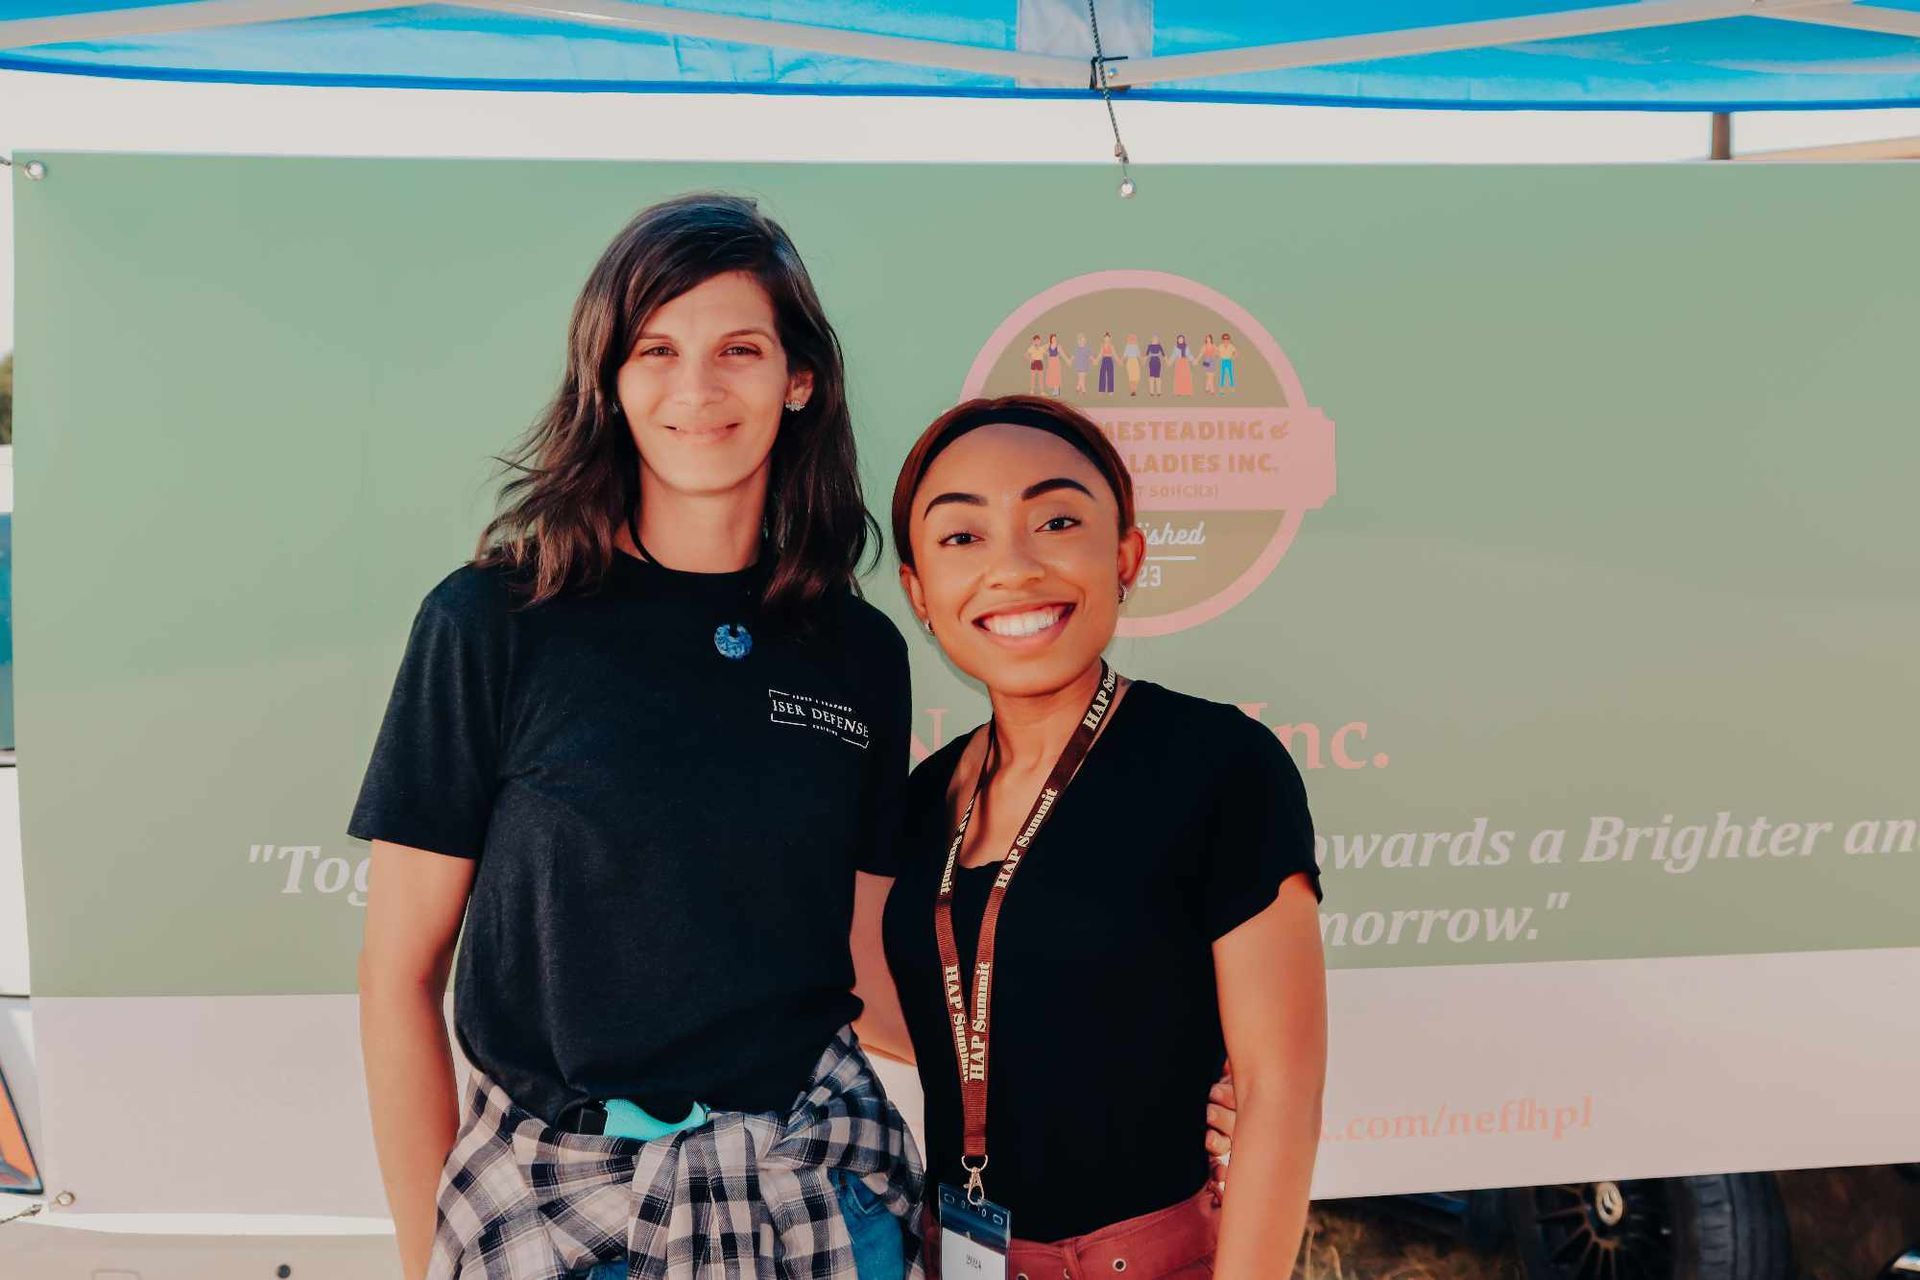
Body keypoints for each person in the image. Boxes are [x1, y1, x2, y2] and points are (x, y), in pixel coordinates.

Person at [351, 193, 924, 1280]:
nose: (696, 388)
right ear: (608, 381)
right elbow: (398, 974)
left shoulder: (857, 651)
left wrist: (1084, 1059)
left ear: (799, 379)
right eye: (655, 349)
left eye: (739, 349)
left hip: (822, 1198)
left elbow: (861, 960)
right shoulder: (493, 620)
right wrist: (427, 1257)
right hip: (562, 1219)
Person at [880, 395, 1326, 1279]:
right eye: (962, 537)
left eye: (1055, 519)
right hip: (953, 1255)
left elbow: (1279, 1093)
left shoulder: (1219, 764)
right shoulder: (921, 801)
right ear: (918, 591)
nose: (1012, 567)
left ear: (1125, 553)